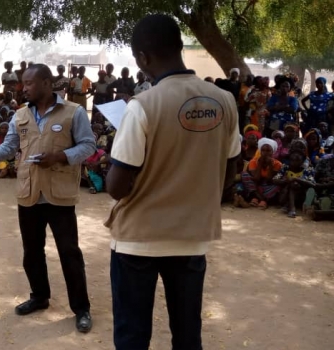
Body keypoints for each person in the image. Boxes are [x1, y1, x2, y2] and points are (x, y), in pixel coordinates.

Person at [104, 15, 240, 349]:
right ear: (180, 47)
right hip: (192, 237)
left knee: (133, 335)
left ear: (142, 59)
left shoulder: (142, 106)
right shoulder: (224, 100)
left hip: (139, 240)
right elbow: (230, 172)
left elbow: (117, 186)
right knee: (188, 333)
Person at [0, 64, 96, 333]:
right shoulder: (19, 115)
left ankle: (81, 308)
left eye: (29, 83)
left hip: (60, 196)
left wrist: (59, 156)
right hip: (29, 193)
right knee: (32, 252)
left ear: (46, 83)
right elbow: (8, 149)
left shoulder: (74, 112)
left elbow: (88, 145)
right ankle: (39, 297)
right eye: (23, 83)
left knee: (69, 253)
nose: (24, 88)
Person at [274, 150, 315, 218]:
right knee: (292, 185)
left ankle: (291, 208)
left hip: (303, 193)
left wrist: (296, 179)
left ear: (302, 161)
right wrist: (286, 181)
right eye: (292, 160)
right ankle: (292, 208)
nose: (294, 163)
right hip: (286, 193)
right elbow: (275, 179)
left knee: (296, 184)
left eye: (297, 160)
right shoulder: (285, 167)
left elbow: (312, 183)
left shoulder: (308, 169)